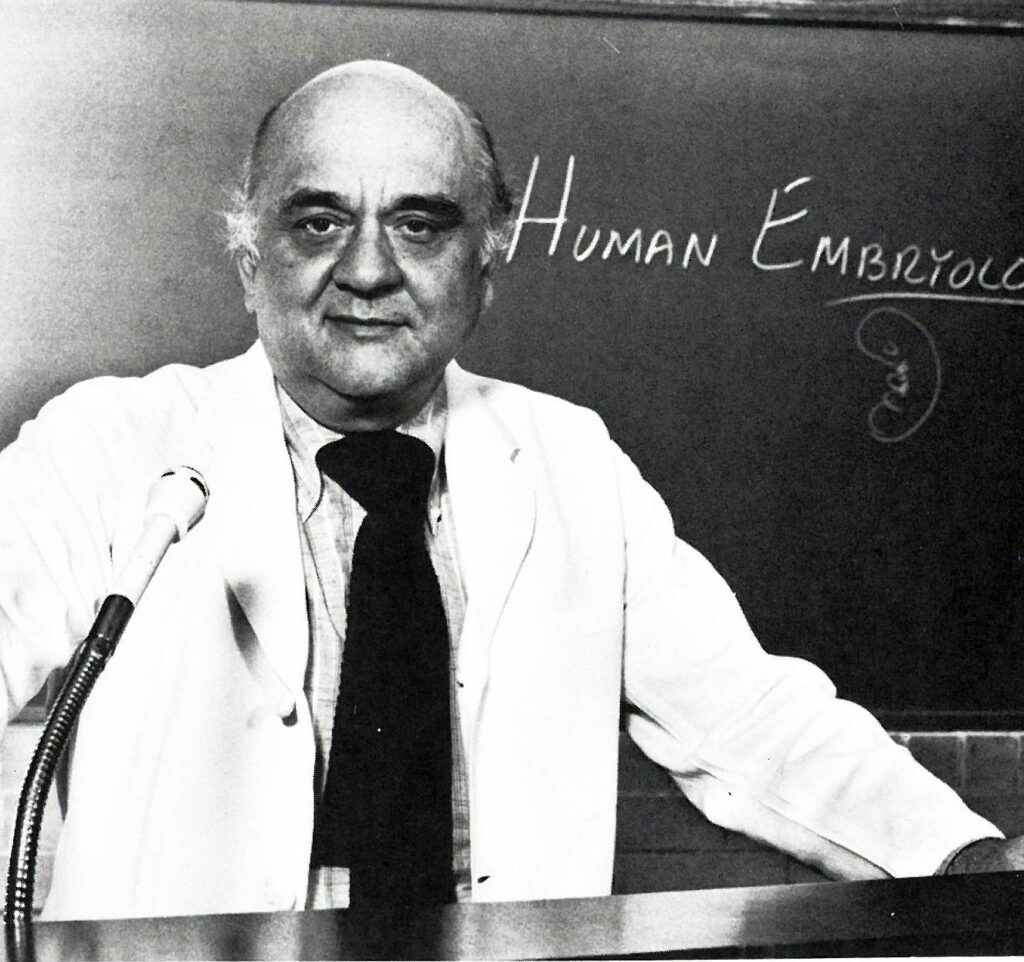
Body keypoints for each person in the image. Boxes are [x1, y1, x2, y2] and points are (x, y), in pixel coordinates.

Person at [0, 60, 1018, 923]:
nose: (366, 270)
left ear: (488, 263)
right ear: (247, 255)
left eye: (419, 225)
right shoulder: (111, 447)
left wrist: (964, 861)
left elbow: (750, 723)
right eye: (318, 222)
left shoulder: (570, 462)